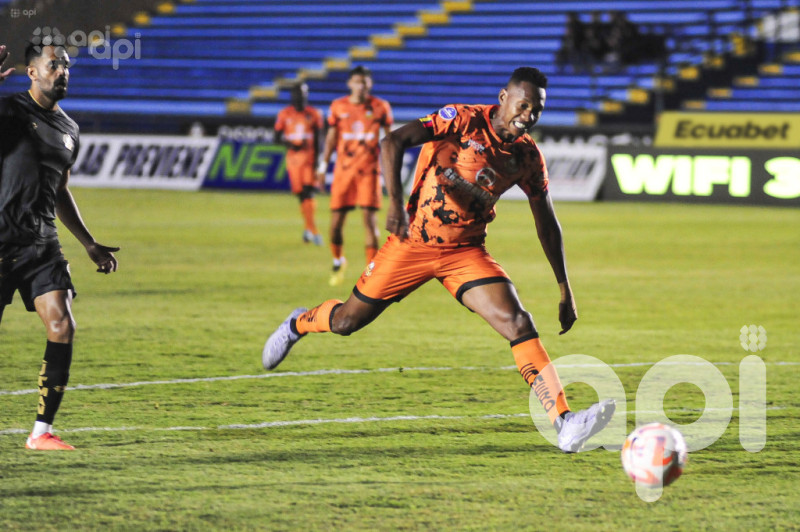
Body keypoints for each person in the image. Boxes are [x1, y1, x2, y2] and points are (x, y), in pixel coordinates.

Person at [264, 67, 615, 453]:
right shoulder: (462, 121)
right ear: (504, 98)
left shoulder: (527, 157)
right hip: (411, 243)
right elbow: (392, 142)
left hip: (465, 252)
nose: (528, 116)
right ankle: (298, 322)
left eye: (537, 110)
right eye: (524, 105)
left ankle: (564, 423)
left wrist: (565, 289)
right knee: (347, 321)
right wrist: (395, 205)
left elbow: (546, 221)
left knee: (518, 322)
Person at [0, 43, 119, 450]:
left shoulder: (70, 129)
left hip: (41, 244)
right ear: (32, 72)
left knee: (62, 324)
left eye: (66, 66)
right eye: (53, 65)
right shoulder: (10, 111)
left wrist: (88, 242)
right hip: (1, 240)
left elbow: (60, 189)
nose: (62, 72)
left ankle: (40, 432)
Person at [316, 65, 393, 286]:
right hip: (343, 171)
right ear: (349, 84)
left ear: (370, 84)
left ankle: (371, 274)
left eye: (364, 82)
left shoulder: (380, 107)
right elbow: (331, 139)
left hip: (369, 171)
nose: (360, 86)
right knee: (335, 224)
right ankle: (338, 260)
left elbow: (389, 141)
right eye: (357, 82)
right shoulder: (338, 106)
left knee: (369, 221)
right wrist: (322, 167)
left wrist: (390, 169)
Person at [274, 82, 324, 245]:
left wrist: (319, 160)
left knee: (309, 192)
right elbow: (276, 137)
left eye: (304, 93)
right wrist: (291, 145)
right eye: (298, 94)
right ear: (293, 95)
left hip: (309, 159)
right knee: (301, 195)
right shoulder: (284, 114)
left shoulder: (314, 114)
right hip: (294, 161)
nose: (301, 97)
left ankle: (313, 230)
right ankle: (309, 229)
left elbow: (319, 138)